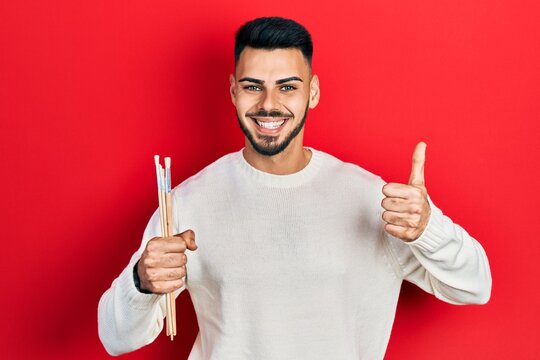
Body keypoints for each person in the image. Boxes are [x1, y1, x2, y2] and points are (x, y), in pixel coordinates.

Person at [98, 16, 491, 359]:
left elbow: (476, 286)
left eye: (288, 87)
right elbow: (115, 338)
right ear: (233, 91)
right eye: (253, 86)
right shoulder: (187, 204)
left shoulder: (374, 200)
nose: (269, 104)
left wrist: (428, 228)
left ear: (313, 92)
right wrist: (140, 282)